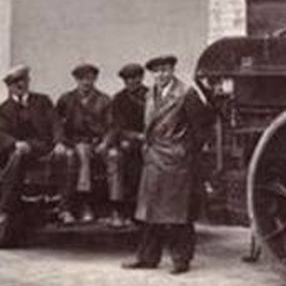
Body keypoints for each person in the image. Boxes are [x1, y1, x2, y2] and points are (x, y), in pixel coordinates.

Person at [123, 54, 211, 274]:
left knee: (178, 214)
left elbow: (201, 129)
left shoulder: (186, 93)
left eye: (165, 70)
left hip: (176, 160)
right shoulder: (150, 94)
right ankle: (147, 257)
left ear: (172, 71)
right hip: (154, 157)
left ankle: (181, 260)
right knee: (150, 212)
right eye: (157, 71)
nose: (161, 75)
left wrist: (185, 152)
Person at [0, 63, 64, 221]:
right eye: (15, 83)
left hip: (40, 147)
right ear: (9, 87)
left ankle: (63, 208)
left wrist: (59, 142)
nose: (20, 86)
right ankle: (6, 208)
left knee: (66, 156)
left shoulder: (42, 101)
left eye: (23, 81)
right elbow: (1, 133)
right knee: (17, 155)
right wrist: (15, 143)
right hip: (16, 150)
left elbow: (55, 123)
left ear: (28, 82)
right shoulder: (3, 108)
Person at [53, 63, 112, 224]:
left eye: (90, 78)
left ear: (95, 79)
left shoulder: (104, 100)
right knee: (78, 153)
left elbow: (112, 126)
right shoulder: (66, 99)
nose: (86, 82)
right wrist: (59, 142)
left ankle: (86, 205)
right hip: (73, 143)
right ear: (76, 80)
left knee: (91, 153)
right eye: (82, 79)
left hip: (95, 143)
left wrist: (105, 143)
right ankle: (80, 204)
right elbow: (56, 123)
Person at [101, 62, 148, 226]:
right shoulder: (119, 99)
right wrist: (135, 136)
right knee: (117, 158)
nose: (132, 82)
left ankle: (145, 210)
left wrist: (146, 136)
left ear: (141, 78)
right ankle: (118, 209)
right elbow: (117, 126)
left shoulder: (151, 95)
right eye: (128, 79)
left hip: (150, 141)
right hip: (126, 141)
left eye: (135, 78)